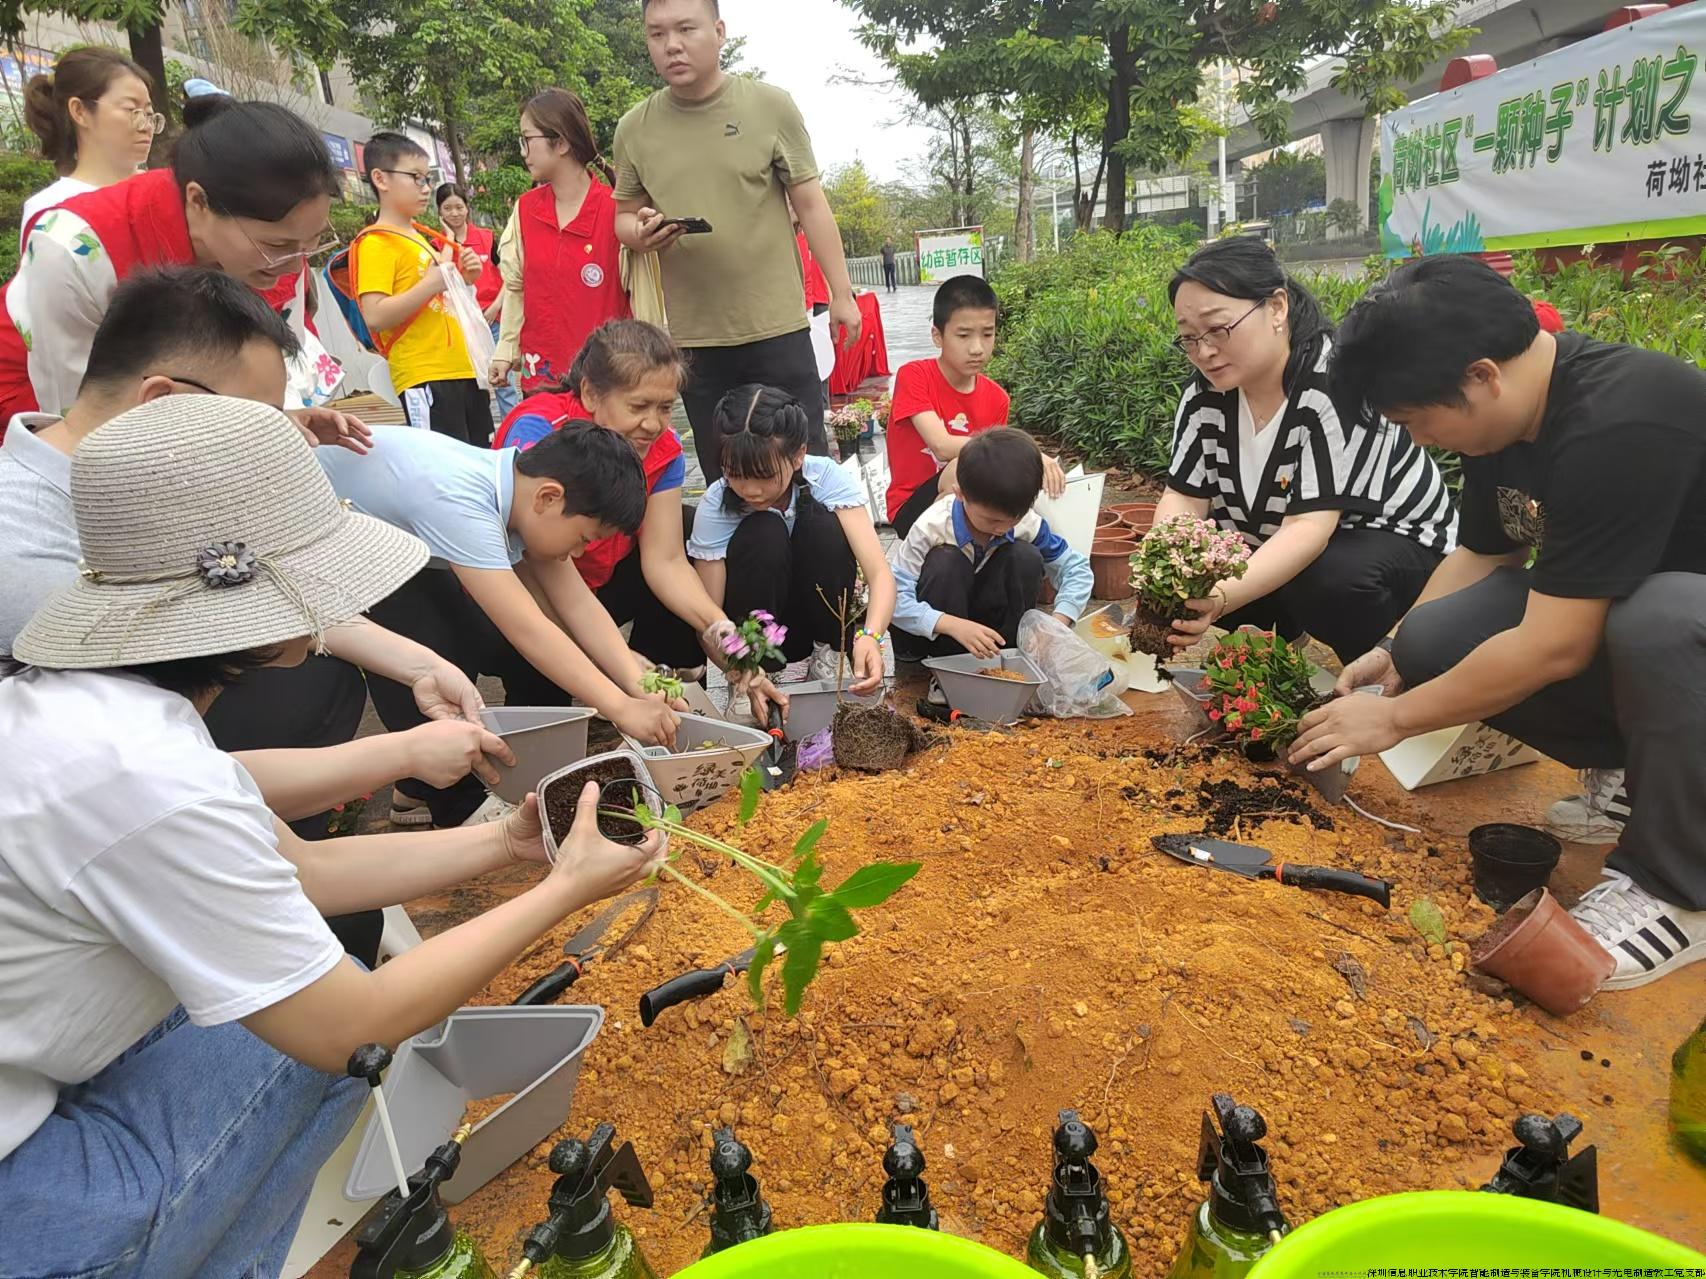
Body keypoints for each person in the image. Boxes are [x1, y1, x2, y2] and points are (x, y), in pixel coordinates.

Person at [0, 393, 662, 1279]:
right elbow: (351, 1024)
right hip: (26, 1199)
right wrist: (564, 889)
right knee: (333, 1036)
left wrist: (508, 843)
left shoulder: (87, 708)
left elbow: (294, 862)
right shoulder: (145, 775)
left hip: (30, 1087)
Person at [0, 265, 500, 964]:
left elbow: (258, 594)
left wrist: (414, 663)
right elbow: (348, 1023)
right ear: (162, 404)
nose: (282, 437)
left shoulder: (146, 481)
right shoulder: (26, 565)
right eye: (259, 422)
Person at [1291, 255, 1706, 990]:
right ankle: (1640, 770)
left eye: (1417, 420)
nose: (1418, 441)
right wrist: (1393, 650)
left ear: (1482, 376)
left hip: (1682, 627)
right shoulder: (1507, 420)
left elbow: (1556, 643)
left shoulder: (1620, 414)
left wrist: (1391, 722)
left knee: (1659, 619)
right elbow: (1485, 552)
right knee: (1434, 639)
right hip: (1650, 618)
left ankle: (1678, 890)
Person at [318, 421, 683, 828]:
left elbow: (578, 605)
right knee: (432, 644)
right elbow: (528, 629)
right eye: (584, 537)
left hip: (385, 546)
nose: (580, 551)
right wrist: (619, 708)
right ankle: (457, 806)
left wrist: (641, 688)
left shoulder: (521, 494)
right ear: (549, 497)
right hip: (318, 552)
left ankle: (422, 790)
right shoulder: (461, 501)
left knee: (504, 642)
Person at [1157, 237, 1456, 666]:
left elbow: (1308, 528)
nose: (1204, 351)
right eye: (1189, 338)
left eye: (1218, 328)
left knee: (1329, 582)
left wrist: (1218, 597)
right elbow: (1184, 496)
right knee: (1208, 558)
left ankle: (1387, 667)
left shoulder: (1332, 383)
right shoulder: (1207, 393)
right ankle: (1279, 645)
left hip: (1400, 545)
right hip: (1300, 538)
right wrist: (1168, 567)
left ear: (1276, 307)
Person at [0, 93, 356, 432]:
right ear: (199, 201)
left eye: (311, 243)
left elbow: (266, 372)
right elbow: (76, 416)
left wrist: (280, 418)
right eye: (277, 244)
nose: (295, 268)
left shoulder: (280, 253)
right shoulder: (74, 247)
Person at [614, 0, 861, 481]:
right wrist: (640, 234)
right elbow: (623, 217)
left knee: (805, 468)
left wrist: (842, 294)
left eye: (686, 29)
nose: (672, 45)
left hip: (777, 326)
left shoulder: (769, 106)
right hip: (695, 338)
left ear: (720, 31)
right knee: (726, 477)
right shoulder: (635, 128)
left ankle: (822, 554)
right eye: (657, 34)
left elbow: (810, 204)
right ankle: (737, 558)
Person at [493, 320, 788, 719]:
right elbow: (532, 566)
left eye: (665, 407)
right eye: (638, 407)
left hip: (602, 584)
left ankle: (667, 678)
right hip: (529, 589)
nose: (653, 424)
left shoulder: (662, 448)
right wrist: (617, 664)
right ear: (591, 394)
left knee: (684, 529)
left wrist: (727, 640)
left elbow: (664, 560)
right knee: (549, 698)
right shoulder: (541, 436)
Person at [688, 384, 894, 693]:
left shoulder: (825, 477)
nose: (750, 490)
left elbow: (879, 574)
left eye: (764, 475)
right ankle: (759, 669)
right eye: (736, 475)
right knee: (764, 531)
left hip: (816, 612)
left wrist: (872, 636)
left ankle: (831, 651)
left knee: (820, 524)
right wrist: (739, 669)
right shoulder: (717, 503)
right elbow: (707, 615)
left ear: (798, 455)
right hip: (758, 630)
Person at [889, 429, 1093, 700]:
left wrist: (1056, 624)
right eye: (992, 521)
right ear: (960, 494)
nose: (1002, 529)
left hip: (988, 625)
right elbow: (893, 599)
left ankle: (1007, 663)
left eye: (1012, 519)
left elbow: (1076, 569)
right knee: (945, 562)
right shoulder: (931, 527)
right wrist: (950, 624)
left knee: (1025, 556)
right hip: (937, 628)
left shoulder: (1025, 523)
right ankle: (947, 673)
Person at [886, 275, 1064, 538]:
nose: (977, 348)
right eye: (964, 335)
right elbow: (941, 445)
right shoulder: (914, 376)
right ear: (937, 335)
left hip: (969, 503)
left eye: (987, 334)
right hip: (913, 506)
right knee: (960, 466)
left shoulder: (996, 398)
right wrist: (1031, 454)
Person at [489, 89, 631, 397]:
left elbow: (641, 300)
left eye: (527, 140)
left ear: (562, 142)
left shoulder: (617, 211)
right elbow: (516, 287)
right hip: (542, 382)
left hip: (608, 383)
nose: (523, 152)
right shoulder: (525, 210)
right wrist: (506, 348)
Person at [357, 132, 490, 445]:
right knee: (445, 473)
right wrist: (433, 282)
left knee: (478, 463)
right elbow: (374, 315)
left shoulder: (420, 237)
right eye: (415, 178)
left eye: (427, 178)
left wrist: (465, 279)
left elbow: (438, 300)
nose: (426, 187)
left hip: (462, 368)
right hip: (425, 375)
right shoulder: (376, 243)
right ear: (381, 179)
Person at [19, 47, 159, 243]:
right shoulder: (51, 210)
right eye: (131, 109)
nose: (146, 126)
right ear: (79, 111)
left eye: (149, 113)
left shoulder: (164, 192)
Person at [437, 181, 518, 418]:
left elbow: (510, 277)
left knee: (504, 382)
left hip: (492, 320)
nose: (454, 213)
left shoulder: (487, 238)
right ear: (439, 211)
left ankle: (512, 432)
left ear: (467, 208)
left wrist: (495, 307)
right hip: (461, 326)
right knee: (473, 385)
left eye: (459, 207)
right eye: (447, 208)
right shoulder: (435, 244)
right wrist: (449, 239)